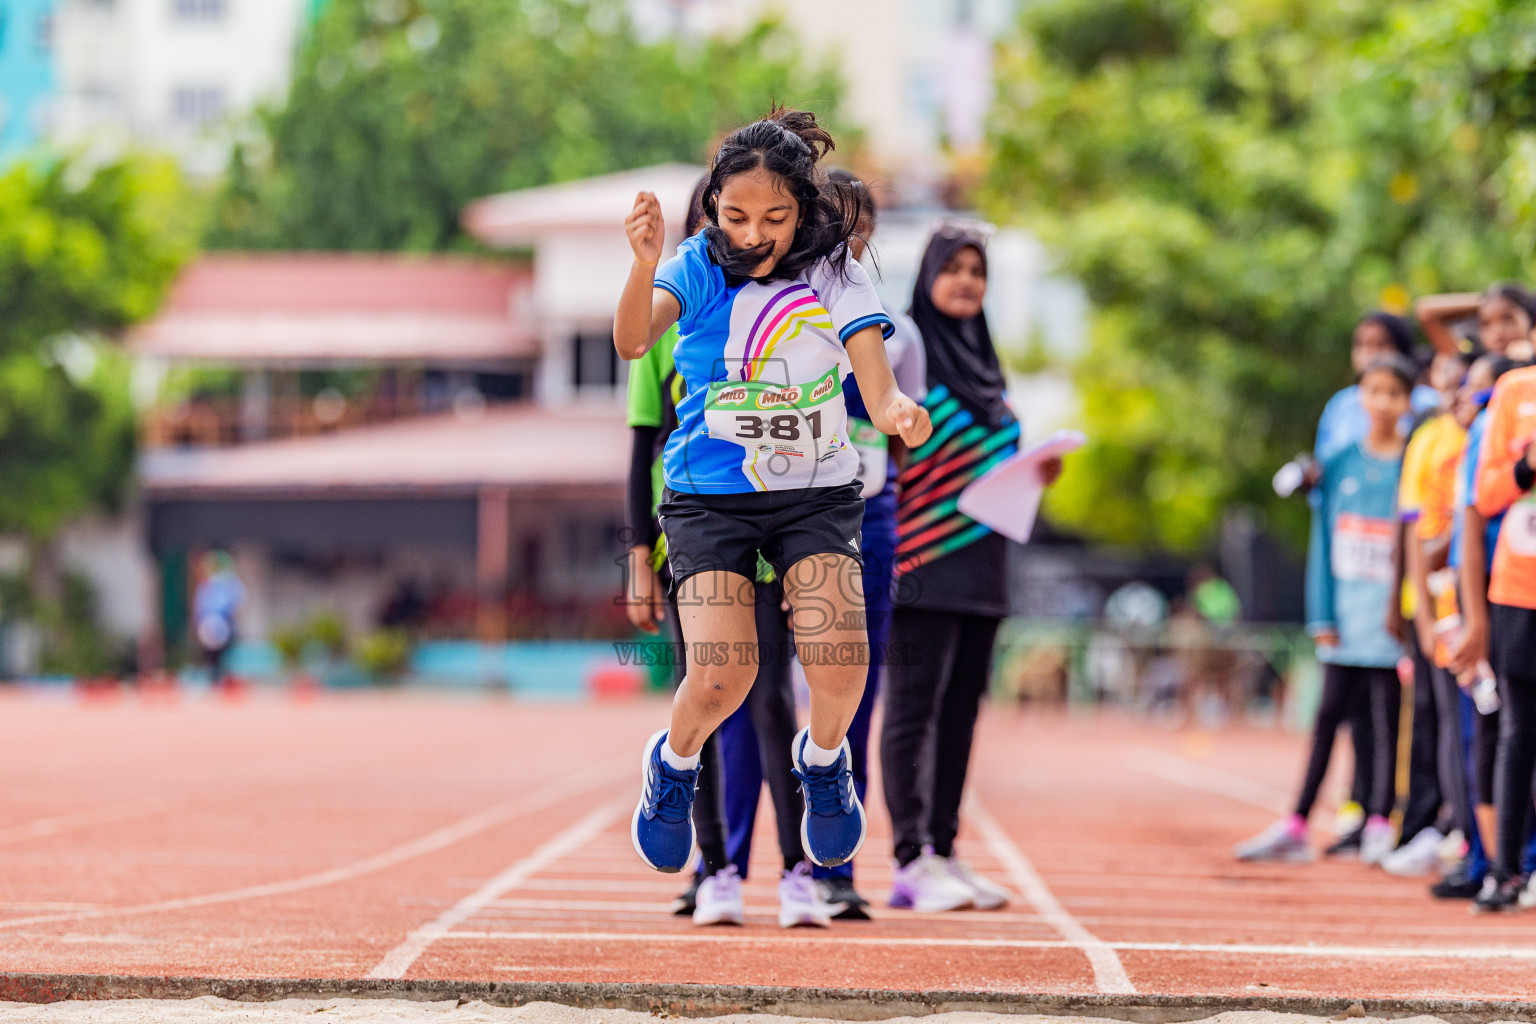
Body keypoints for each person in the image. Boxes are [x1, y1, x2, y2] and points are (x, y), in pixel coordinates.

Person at [616, 108, 932, 878]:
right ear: (715, 206)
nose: (753, 234)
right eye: (735, 216)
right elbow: (631, 341)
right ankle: (675, 763)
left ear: (804, 212)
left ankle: (824, 763)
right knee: (725, 673)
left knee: (842, 666)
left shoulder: (833, 272)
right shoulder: (694, 264)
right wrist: (642, 262)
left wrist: (894, 410)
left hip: (815, 492)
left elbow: (873, 373)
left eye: (774, 218)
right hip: (708, 493)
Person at [622, 179, 822, 927]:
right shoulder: (665, 323)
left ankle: (798, 868)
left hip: (778, 532)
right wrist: (640, 553)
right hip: (696, 534)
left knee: (772, 701)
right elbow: (641, 445)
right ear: (704, 229)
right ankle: (715, 869)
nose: (744, 233)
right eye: (725, 219)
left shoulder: (792, 310)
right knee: (701, 694)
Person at [880, 223, 1061, 912]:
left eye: (975, 270)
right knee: (911, 714)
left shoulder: (990, 370)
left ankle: (945, 852)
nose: (964, 281)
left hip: (985, 567)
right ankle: (907, 859)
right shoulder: (902, 352)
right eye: (951, 268)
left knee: (961, 716)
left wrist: (1037, 468)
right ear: (926, 277)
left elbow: (990, 461)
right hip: (921, 562)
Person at [1235, 355, 1414, 863]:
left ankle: (1380, 820)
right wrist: (1322, 616)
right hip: (1345, 620)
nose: (1382, 402)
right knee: (1327, 717)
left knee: (1385, 722)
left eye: (1394, 393)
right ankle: (1296, 824)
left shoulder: (1411, 462)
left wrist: (1402, 610)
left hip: (1391, 621)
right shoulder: (1338, 462)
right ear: (1359, 397)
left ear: (1407, 402)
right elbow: (1323, 540)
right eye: (1373, 391)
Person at [1382, 347, 1478, 876]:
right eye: (1444, 372)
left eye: (1463, 375)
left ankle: (1474, 834)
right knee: (1444, 722)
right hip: (1438, 604)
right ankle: (1458, 831)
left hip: (1484, 599)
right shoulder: (1428, 438)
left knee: (1478, 728)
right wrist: (1414, 608)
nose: (1453, 385)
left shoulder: (1484, 433)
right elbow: (1416, 531)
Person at [1464, 357, 1536, 909]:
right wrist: (1524, 468)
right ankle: (1506, 871)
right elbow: (1484, 495)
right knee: (1518, 732)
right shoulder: (1515, 390)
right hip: (1519, 589)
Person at [193, 550, 244, 689]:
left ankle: (226, 683)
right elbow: (200, 608)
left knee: (227, 658)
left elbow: (236, 606)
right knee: (211, 659)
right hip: (208, 627)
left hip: (227, 626)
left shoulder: (231, 583)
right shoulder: (206, 585)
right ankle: (214, 683)